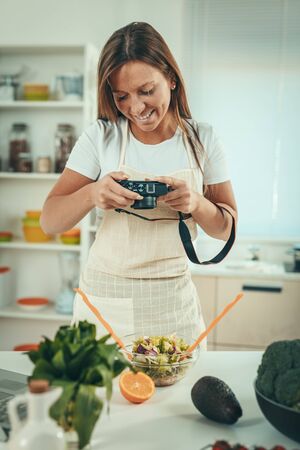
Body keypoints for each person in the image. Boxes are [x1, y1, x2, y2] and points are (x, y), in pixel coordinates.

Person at [40, 22, 237, 349]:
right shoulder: (101, 137)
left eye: (147, 91)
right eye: (122, 96)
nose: (136, 108)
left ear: (171, 78)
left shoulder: (203, 139)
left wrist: (197, 203)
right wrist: (92, 193)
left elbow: (225, 230)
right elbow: (49, 221)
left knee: (179, 397)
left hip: (173, 305)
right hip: (106, 301)